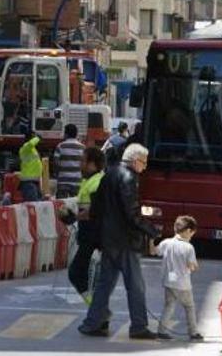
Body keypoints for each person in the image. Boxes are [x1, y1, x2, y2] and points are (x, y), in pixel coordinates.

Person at [79, 143, 159, 339]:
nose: (145, 167)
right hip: (124, 241)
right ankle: (139, 326)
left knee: (105, 283)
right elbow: (130, 212)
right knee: (136, 285)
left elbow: (96, 206)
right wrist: (151, 231)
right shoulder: (129, 177)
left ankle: (93, 323)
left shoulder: (110, 173)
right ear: (134, 161)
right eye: (143, 162)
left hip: (109, 239)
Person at [156, 215, 203, 342]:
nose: (192, 236)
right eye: (192, 233)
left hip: (169, 281)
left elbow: (155, 251)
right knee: (189, 306)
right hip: (183, 284)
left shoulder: (166, 243)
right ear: (188, 231)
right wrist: (195, 266)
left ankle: (162, 331)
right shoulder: (188, 247)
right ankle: (193, 332)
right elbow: (191, 266)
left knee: (169, 305)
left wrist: (151, 239)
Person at [68, 147, 106, 304]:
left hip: (95, 239)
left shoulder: (97, 183)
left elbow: (97, 210)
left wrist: (74, 216)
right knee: (82, 276)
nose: (80, 165)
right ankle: (97, 312)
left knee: (78, 274)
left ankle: (96, 312)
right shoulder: (88, 182)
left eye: (83, 161)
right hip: (88, 237)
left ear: (92, 164)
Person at [54, 124, 86, 198]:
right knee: (75, 206)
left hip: (63, 181)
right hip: (77, 182)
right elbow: (84, 165)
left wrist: (58, 173)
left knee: (61, 207)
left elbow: (56, 162)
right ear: (76, 134)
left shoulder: (60, 146)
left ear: (66, 134)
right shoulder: (82, 147)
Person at [18, 130, 43, 202]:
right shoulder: (25, 148)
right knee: (33, 204)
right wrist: (38, 138)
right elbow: (30, 144)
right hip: (29, 181)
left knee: (37, 205)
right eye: (33, 137)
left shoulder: (32, 150)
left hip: (33, 181)